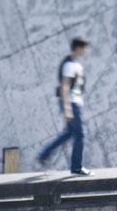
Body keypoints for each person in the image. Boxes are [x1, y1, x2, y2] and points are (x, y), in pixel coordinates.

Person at [37, 37, 91, 175]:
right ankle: (77, 167)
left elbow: (76, 87)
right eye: (84, 48)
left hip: (75, 103)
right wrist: (67, 108)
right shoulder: (69, 65)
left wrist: (80, 100)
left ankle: (44, 155)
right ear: (78, 48)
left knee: (69, 133)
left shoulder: (76, 64)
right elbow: (64, 87)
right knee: (81, 134)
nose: (85, 51)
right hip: (71, 104)